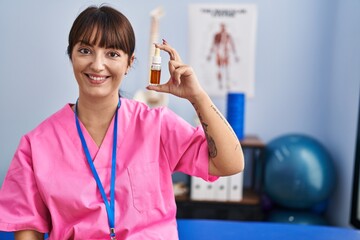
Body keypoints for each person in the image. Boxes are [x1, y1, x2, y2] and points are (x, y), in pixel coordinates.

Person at [0, 5, 244, 240]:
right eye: (85, 50)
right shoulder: (36, 145)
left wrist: (197, 96)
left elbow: (230, 164)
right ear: (71, 55)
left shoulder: (156, 125)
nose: (97, 64)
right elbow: (27, 226)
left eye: (112, 54)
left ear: (129, 63)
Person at [207, 23, 239, 89]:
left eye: (224, 27)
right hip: (219, 53)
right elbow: (213, 44)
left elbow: (232, 45)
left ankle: (227, 84)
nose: (223, 29)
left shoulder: (228, 35)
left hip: (226, 53)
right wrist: (210, 54)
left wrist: (235, 55)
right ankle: (220, 84)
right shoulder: (217, 35)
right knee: (219, 69)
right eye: (222, 27)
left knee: (227, 69)